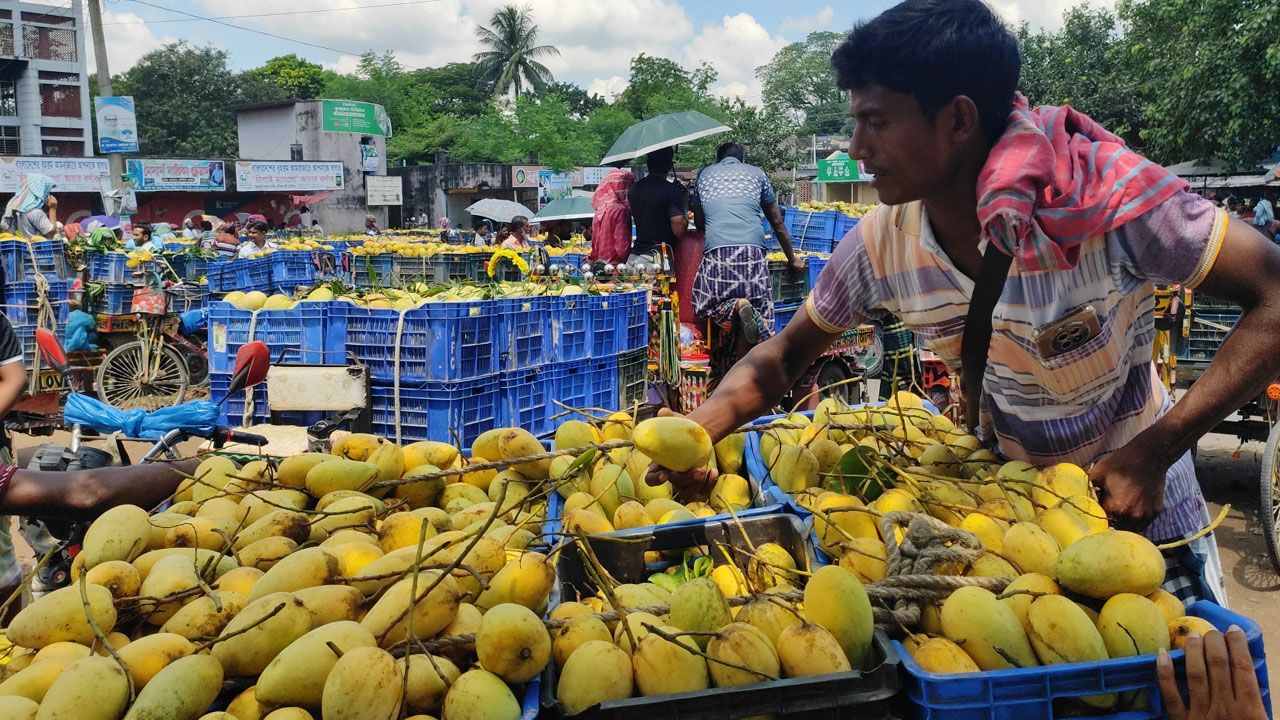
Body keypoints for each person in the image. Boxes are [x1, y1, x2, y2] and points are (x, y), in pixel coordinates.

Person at [650, 0, 1280, 608]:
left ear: (957, 119)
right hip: (1015, 530)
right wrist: (698, 432)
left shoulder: (1099, 199)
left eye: (876, 121)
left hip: (1147, 519)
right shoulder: (881, 245)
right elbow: (785, 356)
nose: (857, 147)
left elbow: (1274, 296)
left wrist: (1157, 450)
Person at [689, 142, 803, 382]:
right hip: (752, 252)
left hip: (718, 252)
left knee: (703, 303)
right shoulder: (757, 174)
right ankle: (745, 375)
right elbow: (777, 222)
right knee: (759, 309)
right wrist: (792, 259)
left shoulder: (704, 175)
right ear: (741, 159)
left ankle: (735, 307)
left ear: (719, 159)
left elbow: (699, 223)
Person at [629, 147, 684, 272]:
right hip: (657, 260)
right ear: (670, 165)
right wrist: (683, 203)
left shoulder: (635, 188)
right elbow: (678, 225)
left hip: (634, 257)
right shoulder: (671, 190)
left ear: (648, 164)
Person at [590, 164, 636, 265]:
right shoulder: (621, 211)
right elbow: (622, 248)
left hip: (599, 267)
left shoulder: (599, 212)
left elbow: (594, 246)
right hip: (615, 269)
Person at [3, 174, 57, 239]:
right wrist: (53, 209)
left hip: (20, 244)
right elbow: (51, 233)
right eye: (47, 191)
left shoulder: (13, 207)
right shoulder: (35, 212)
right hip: (36, 245)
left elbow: (6, 229)